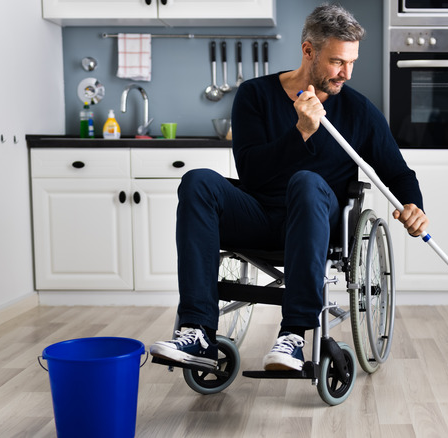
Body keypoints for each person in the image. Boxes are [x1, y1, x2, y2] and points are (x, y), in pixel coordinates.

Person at [150, 3, 429, 372]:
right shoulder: (255, 95)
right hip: (259, 213)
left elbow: (398, 173)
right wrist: (301, 132)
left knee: (307, 181)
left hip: (317, 220)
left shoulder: (360, 112)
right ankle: (198, 330)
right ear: (309, 51)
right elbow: (251, 172)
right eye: (337, 62)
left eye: (351, 62)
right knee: (197, 180)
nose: (346, 73)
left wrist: (413, 206)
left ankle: (294, 335)